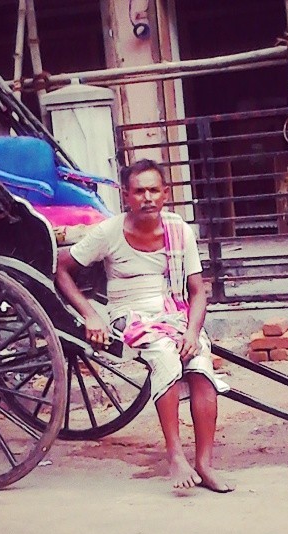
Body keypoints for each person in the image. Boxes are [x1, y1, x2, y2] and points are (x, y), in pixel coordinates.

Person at [55, 158, 233, 493]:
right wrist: (90, 314)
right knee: (166, 356)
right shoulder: (109, 232)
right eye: (139, 191)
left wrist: (194, 334)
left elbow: (197, 291)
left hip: (176, 314)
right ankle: (176, 456)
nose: (147, 197)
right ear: (126, 196)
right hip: (131, 317)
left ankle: (205, 464)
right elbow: (62, 269)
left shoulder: (179, 230)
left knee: (199, 366)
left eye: (154, 190)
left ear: (166, 194)